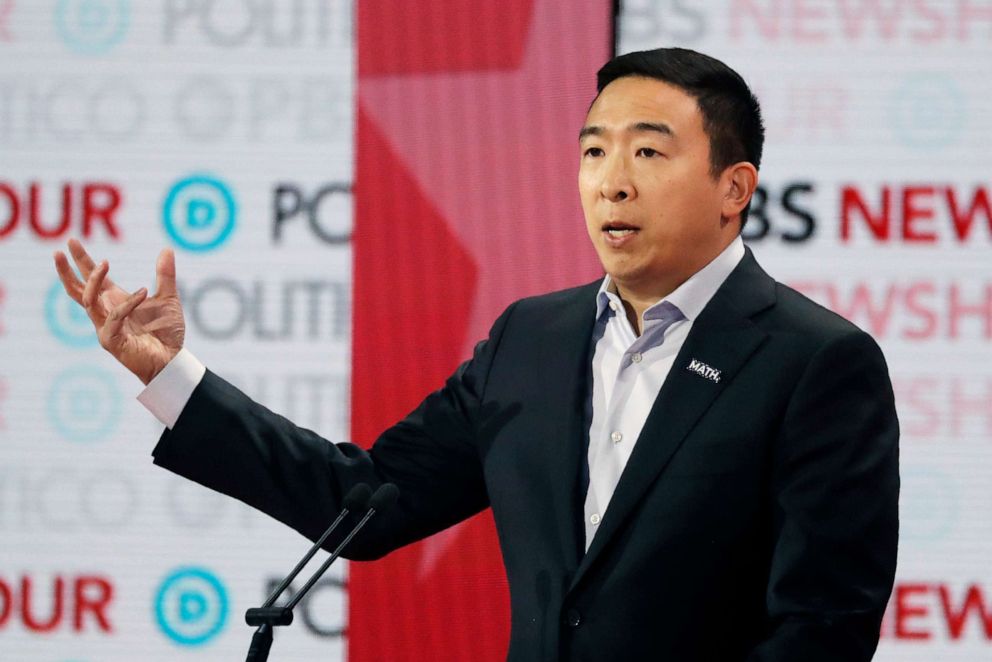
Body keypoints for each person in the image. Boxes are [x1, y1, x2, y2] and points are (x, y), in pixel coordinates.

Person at [54, 48, 899, 661]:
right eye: (594, 150)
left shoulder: (817, 363)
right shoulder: (533, 339)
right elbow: (361, 503)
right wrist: (166, 375)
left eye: (648, 151)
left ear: (734, 189)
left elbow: (822, 630)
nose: (612, 180)